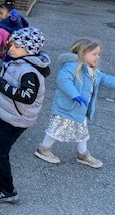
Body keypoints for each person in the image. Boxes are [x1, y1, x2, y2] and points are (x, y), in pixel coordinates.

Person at [0, 27, 50, 203]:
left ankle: (7, 190)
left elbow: (27, 97)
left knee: (0, 153)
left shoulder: (30, 72)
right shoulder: (19, 60)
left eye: (17, 46)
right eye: (11, 44)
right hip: (8, 110)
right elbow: (4, 58)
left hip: (16, 119)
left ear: (30, 50)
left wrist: (0, 84)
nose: (12, 49)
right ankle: (1, 124)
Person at [34, 39, 115, 168]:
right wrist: (75, 95)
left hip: (80, 110)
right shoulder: (71, 66)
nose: (98, 57)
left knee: (82, 132)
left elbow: (105, 78)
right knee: (56, 128)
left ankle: (83, 154)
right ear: (83, 54)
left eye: (98, 54)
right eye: (94, 54)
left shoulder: (92, 70)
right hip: (66, 107)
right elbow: (64, 81)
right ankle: (43, 149)